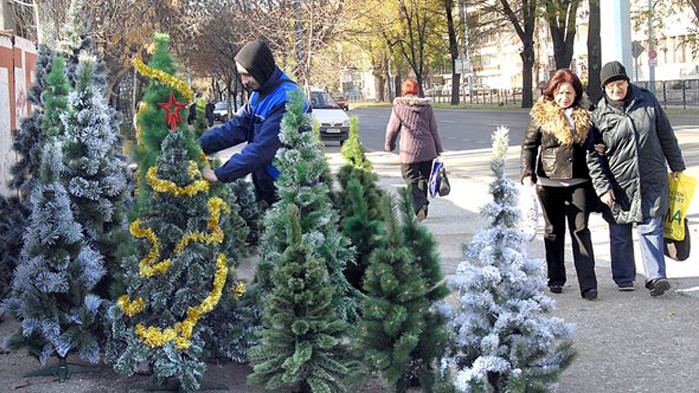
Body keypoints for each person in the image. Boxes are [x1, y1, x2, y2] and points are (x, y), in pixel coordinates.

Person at [587, 61, 685, 297]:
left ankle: (655, 277)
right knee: (620, 231)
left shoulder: (647, 100)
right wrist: (602, 187)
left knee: (651, 225)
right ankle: (624, 277)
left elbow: (665, 134)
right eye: (610, 86)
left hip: (651, 175)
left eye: (619, 84)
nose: (616, 90)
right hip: (618, 181)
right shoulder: (598, 114)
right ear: (604, 88)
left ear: (627, 82)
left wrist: (676, 165)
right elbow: (592, 156)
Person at [198, 39, 308, 205]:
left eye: (247, 74)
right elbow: (235, 128)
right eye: (241, 75)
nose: (243, 82)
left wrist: (220, 174)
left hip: (289, 191)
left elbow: (263, 149)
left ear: (260, 70)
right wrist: (196, 146)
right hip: (267, 184)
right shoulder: (259, 94)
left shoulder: (287, 98)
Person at [520, 69, 598, 300]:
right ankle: (555, 278)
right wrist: (527, 172)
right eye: (560, 92)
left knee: (580, 230)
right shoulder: (541, 114)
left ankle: (588, 284)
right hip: (548, 180)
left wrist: (599, 147)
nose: (565, 97)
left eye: (569, 92)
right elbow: (529, 145)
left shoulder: (586, 113)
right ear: (553, 92)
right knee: (553, 231)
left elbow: (598, 141)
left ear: (576, 93)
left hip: (580, 180)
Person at [385, 77, 443, 221]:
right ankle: (422, 209)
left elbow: (392, 129)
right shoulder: (427, 107)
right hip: (428, 150)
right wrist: (438, 149)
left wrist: (389, 145)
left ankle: (420, 205)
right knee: (423, 179)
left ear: (404, 91)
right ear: (417, 90)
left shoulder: (399, 107)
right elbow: (434, 129)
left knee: (410, 179)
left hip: (408, 152)